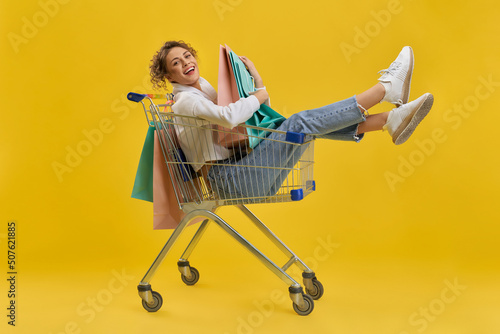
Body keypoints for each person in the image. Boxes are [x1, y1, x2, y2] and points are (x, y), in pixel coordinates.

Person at [149, 41, 434, 200]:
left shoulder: (202, 89)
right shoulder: (186, 100)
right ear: (169, 77)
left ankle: (388, 120)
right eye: (176, 63)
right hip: (230, 180)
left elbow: (253, 124)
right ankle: (385, 90)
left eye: (187, 56)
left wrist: (257, 82)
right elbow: (230, 117)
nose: (186, 62)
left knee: (299, 128)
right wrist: (259, 96)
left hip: (243, 172)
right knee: (299, 124)